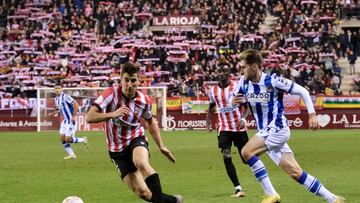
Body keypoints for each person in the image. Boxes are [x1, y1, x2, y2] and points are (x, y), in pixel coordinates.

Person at [231, 49, 345, 203]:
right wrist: (234, 105)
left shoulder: (274, 81)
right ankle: (333, 198)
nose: (241, 70)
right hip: (266, 132)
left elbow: (303, 91)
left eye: (243, 67)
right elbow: (236, 102)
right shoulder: (243, 82)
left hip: (277, 128)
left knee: (246, 152)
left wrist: (312, 114)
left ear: (254, 66)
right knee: (295, 173)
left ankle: (271, 194)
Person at [85, 62, 183, 203]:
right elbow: (89, 117)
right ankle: (174, 201)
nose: (130, 84)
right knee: (143, 193)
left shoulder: (144, 101)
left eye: (133, 80)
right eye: (126, 80)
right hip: (116, 150)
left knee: (141, 163)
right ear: (121, 79)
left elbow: (150, 122)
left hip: (135, 139)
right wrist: (113, 114)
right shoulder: (110, 94)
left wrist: (161, 146)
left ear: (139, 81)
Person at [206, 61, 249, 198]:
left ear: (229, 74)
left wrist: (243, 119)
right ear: (217, 73)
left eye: (225, 71)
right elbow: (211, 106)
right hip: (223, 128)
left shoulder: (237, 87)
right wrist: (208, 121)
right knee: (226, 155)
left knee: (246, 158)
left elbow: (247, 107)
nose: (222, 74)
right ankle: (238, 188)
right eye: (220, 71)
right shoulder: (213, 90)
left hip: (239, 128)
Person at [54, 84, 88, 160]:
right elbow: (60, 107)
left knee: (68, 139)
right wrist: (56, 112)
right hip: (65, 121)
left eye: (58, 88)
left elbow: (76, 105)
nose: (57, 89)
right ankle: (72, 155)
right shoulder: (56, 99)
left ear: (61, 89)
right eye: (56, 88)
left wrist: (73, 116)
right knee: (62, 138)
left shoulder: (66, 97)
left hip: (70, 121)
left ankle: (83, 139)